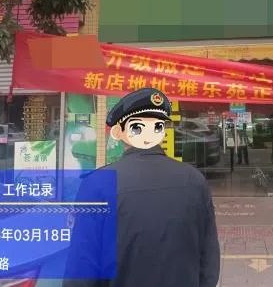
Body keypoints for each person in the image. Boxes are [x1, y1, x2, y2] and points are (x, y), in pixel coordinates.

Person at [63, 87, 220, 287]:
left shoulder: (97, 185)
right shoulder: (195, 181)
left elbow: (81, 269)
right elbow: (209, 263)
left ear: (119, 133)